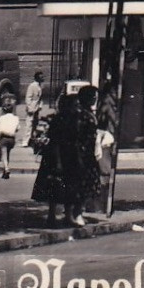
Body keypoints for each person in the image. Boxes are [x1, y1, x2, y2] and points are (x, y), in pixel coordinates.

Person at [31, 87, 101, 227]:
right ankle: (58, 215)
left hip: (68, 155)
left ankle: (66, 215)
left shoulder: (76, 117)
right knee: (60, 185)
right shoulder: (67, 119)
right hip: (63, 155)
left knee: (67, 186)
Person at [0, 96, 21, 179]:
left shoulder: (1, 118)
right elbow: (18, 129)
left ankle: (6, 169)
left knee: (4, 154)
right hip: (12, 139)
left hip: (3, 138)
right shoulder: (16, 118)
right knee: (7, 154)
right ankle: (5, 172)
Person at [22, 72, 45, 146]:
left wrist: (40, 106)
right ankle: (25, 141)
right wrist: (29, 108)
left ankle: (32, 139)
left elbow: (40, 98)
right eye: (41, 77)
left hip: (36, 108)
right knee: (29, 124)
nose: (42, 78)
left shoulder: (39, 86)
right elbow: (28, 97)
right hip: (31, 108)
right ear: (37, 78)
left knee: (35, 124)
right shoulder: (32, 86)